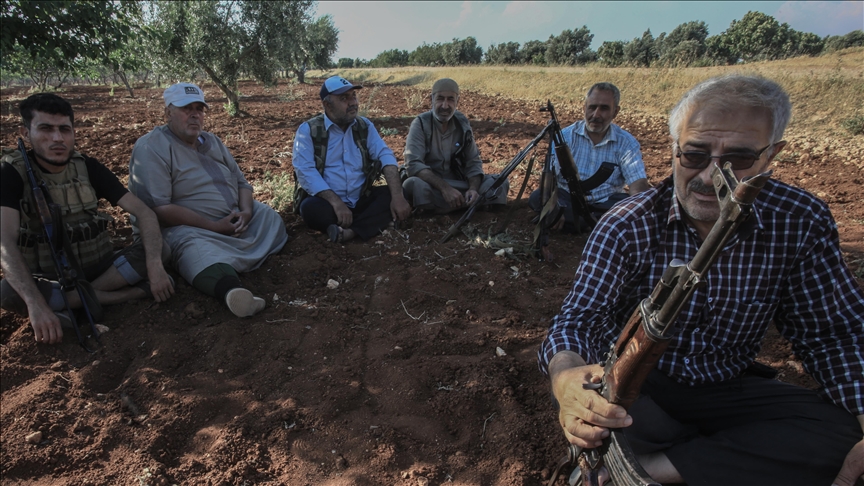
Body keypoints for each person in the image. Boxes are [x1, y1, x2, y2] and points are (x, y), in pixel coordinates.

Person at [538, 75, 864, 486]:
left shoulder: (800, 220)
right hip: (642, 392)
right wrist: (565, 378)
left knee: (846, 432)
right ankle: (715, 458)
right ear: (673, 151)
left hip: (729, 386)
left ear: (771, 155)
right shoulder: (627, 224)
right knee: (603, 422)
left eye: (739, 158)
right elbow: (576, 322)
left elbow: (834, 333)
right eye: (694, 155)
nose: (712, 177)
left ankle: (652, 470)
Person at [1, 93, 174, 344]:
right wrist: (34, 304)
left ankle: (72, 302)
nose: (57, 138)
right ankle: (123, 295)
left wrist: (155, 267)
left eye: (64, 129)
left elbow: (145, 213)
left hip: (100, 267)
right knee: (7, 292)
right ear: (25, 132)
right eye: (46, 129)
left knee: (161, 249)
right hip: (50, 276)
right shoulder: (10, 173)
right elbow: (4, 241)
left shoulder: (87, 167)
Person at [128, 83, 288, 318]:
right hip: (190, 228)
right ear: (167, 113)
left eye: (199, 109)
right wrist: (213, 226)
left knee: (269, 217)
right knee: (193, 249)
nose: (195, 115)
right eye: (186, 109)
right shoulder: (152, 147)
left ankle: (234, 255)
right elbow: (159, 208)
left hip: (233, 219)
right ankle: (231, 289)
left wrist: (246, 213)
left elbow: (243, 184)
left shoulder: (212, 141)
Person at [292, 76, 411, 243]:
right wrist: (336, 203)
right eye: (344, 98)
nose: (352, 102)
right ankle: (374, 224)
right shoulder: (308, 131)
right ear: (327, 104)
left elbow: (385, 156)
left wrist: (397, 196)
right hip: (329, 204)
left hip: (361, 199)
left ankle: (350, 232)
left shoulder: (364, 126)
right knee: (309, 208)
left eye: (353, 96)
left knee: (399, 192)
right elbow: (305, 172)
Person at [529, 82, 650, 232]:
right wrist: (552, 205)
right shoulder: (565, 137)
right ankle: (603, 226)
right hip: (568, 199)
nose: (596, 115)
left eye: (604, 108)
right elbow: (549, 179)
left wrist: (638, 210)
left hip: (606, 203)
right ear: (584, 108)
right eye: (592, 107)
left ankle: (584, 223)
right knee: (538, 197)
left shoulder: (626, 142)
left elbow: (638, 185)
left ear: (615, 112)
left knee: (627, 205)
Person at [402, 78, 508, 214]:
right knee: (413, 185)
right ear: (431, 99)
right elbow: (413, 165)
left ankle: (460, 204)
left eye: (450, 99)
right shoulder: (421, 123)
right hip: (432, 184)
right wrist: (445, 188)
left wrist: (473, 189)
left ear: (457, 101)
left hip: (457, 185)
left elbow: (473, 162)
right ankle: (472, 206)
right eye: (440, 99)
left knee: (498, 182)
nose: (445, 106)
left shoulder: (462, 123)